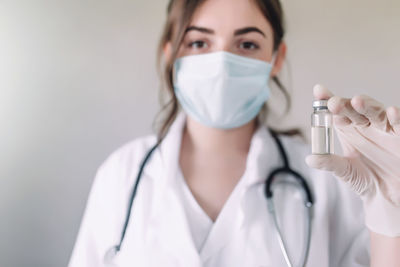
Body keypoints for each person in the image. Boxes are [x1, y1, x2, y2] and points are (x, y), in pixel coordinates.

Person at [68, 0, 400, 266]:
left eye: (246, 44)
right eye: (199, 42)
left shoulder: (323, 180)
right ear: (171, 55)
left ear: (276, 59)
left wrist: (391, 212)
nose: (222, 64)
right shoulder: (121, 175)